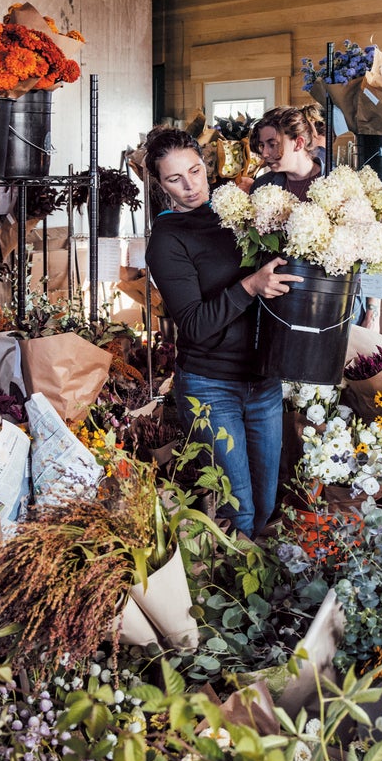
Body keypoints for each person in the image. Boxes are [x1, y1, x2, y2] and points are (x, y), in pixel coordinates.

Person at [143, 126, 303, 538]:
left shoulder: (236, 210)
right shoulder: (166, 238)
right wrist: (250, 286)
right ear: (160, 185)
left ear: (206, 165)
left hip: (262, 378)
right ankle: (234, 595)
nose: (190, 185)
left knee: (268, 504)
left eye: (195, 171)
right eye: (175, 179)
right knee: (241, 511)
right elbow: (193, 325)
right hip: (210, 387)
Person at [251, 105, 323, 200]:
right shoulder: (260, 186)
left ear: (299, 143)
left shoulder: (335, 182)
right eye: (262, 145)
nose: (264, 154)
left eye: (272, 144)